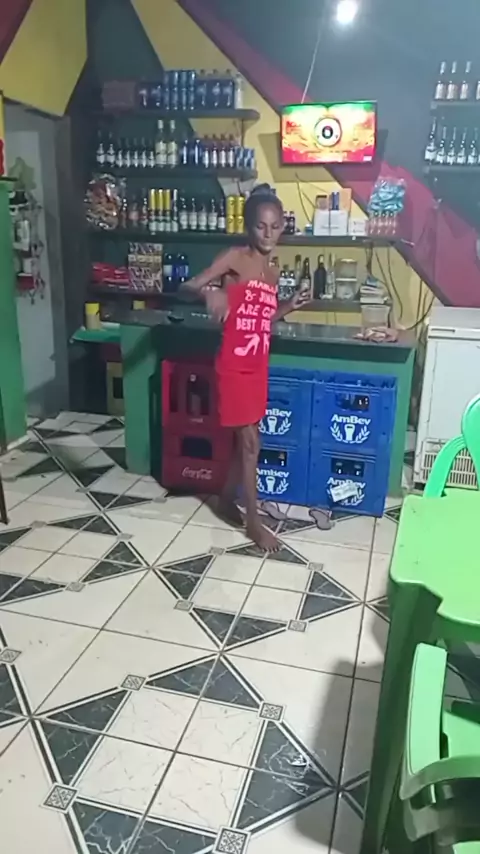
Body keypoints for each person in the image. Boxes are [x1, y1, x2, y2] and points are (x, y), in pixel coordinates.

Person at [182, 184, 311, 550]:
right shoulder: (235, 258)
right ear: (248, 226)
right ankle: (253, 523)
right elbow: (187, 286)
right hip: (233, 364)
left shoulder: (272, 270)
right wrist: (210, 292)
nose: (268, 234)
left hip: (257, 365)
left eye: (275, 227)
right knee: (251, 442)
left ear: (282, 227)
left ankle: (225, 497)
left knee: (249, 441)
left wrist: (289, 305)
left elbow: (262, 318)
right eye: (260, 226)